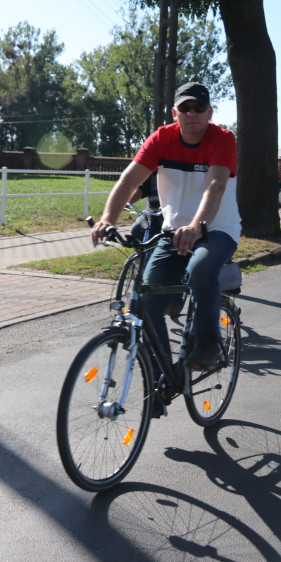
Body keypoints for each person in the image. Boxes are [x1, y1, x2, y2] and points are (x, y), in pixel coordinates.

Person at [91, 81, 240, 369]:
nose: (191, 113)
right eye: (185, 108)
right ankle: (159, 379)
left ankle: (208, 343)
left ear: (210, 112)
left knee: (200, 269)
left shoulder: (223, 139)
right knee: (146, 298)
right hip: (173, 232)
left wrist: (197, 227)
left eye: (199, 108)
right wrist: (107, 219)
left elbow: (216, 185)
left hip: (218, 229)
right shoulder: (161, 139)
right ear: (175, 113)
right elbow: (129, 181)